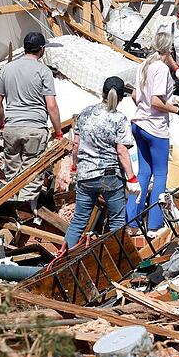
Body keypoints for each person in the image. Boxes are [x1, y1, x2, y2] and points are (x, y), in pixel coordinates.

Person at [64, 76, 140, 248]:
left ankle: (62, 260)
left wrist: (75, 167)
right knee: (117, 223)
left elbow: (76, 144)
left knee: (78, 222)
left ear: (102, 92)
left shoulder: (85, 113)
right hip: (110, 177)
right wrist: (132, 178)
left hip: (85, 175)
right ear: (121, 98)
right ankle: (117, 263)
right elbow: (121, 150)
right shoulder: (119, 119)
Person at [128, 31, 179, 230]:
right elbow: (156, 102)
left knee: (143, 172)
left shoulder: (144, 65)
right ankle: (155, 222)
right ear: (169, 48)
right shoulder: (161, 69)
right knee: (161, 174)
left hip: (139, 123)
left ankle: (132, 219)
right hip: (155, 128)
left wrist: (144, 107)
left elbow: (134, 95)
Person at [0, 32, 64, 204]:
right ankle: (24, 215)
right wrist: (59, 131)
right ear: (41, 49)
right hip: (35, 129)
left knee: (12, 174)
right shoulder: (43, 71)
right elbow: (51, 105)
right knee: (31, 174)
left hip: (11, 128)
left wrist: (2, 123)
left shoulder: (8, 68)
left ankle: (12, 212)